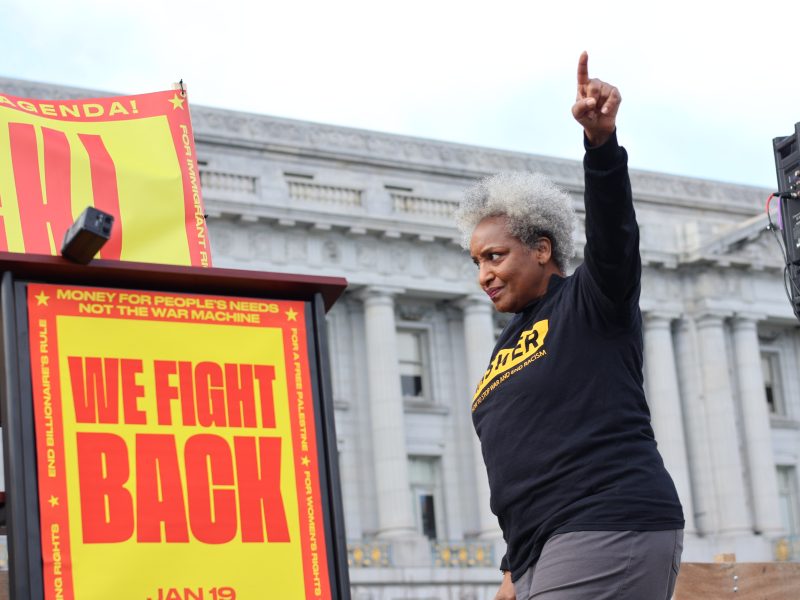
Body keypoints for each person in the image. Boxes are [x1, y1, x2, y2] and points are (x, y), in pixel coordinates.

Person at [454, 52, 684, 600]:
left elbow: (613, 236)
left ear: (542, 248)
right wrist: (512, 573)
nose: (485, 274)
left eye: (495, 256)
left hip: (608, 522)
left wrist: (600, 145)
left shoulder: (591, 301)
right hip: (541, 549)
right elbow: (522, 466)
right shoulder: (502, 349)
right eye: (477, 263)